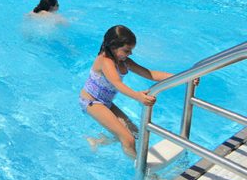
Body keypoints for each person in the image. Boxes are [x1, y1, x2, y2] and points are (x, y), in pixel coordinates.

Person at [79, 25, 196, 158]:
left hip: (105, 102)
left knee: (134, 133)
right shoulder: (105, 61)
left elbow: (150, 74)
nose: (130, 54)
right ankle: (148, 175)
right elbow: (116, 83)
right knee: (128, 139)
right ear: (113, 47)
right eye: (127, 50)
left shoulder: (124, 61)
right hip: (91, 101)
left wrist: (185, 78)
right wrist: (137, 96)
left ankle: (97, 141)